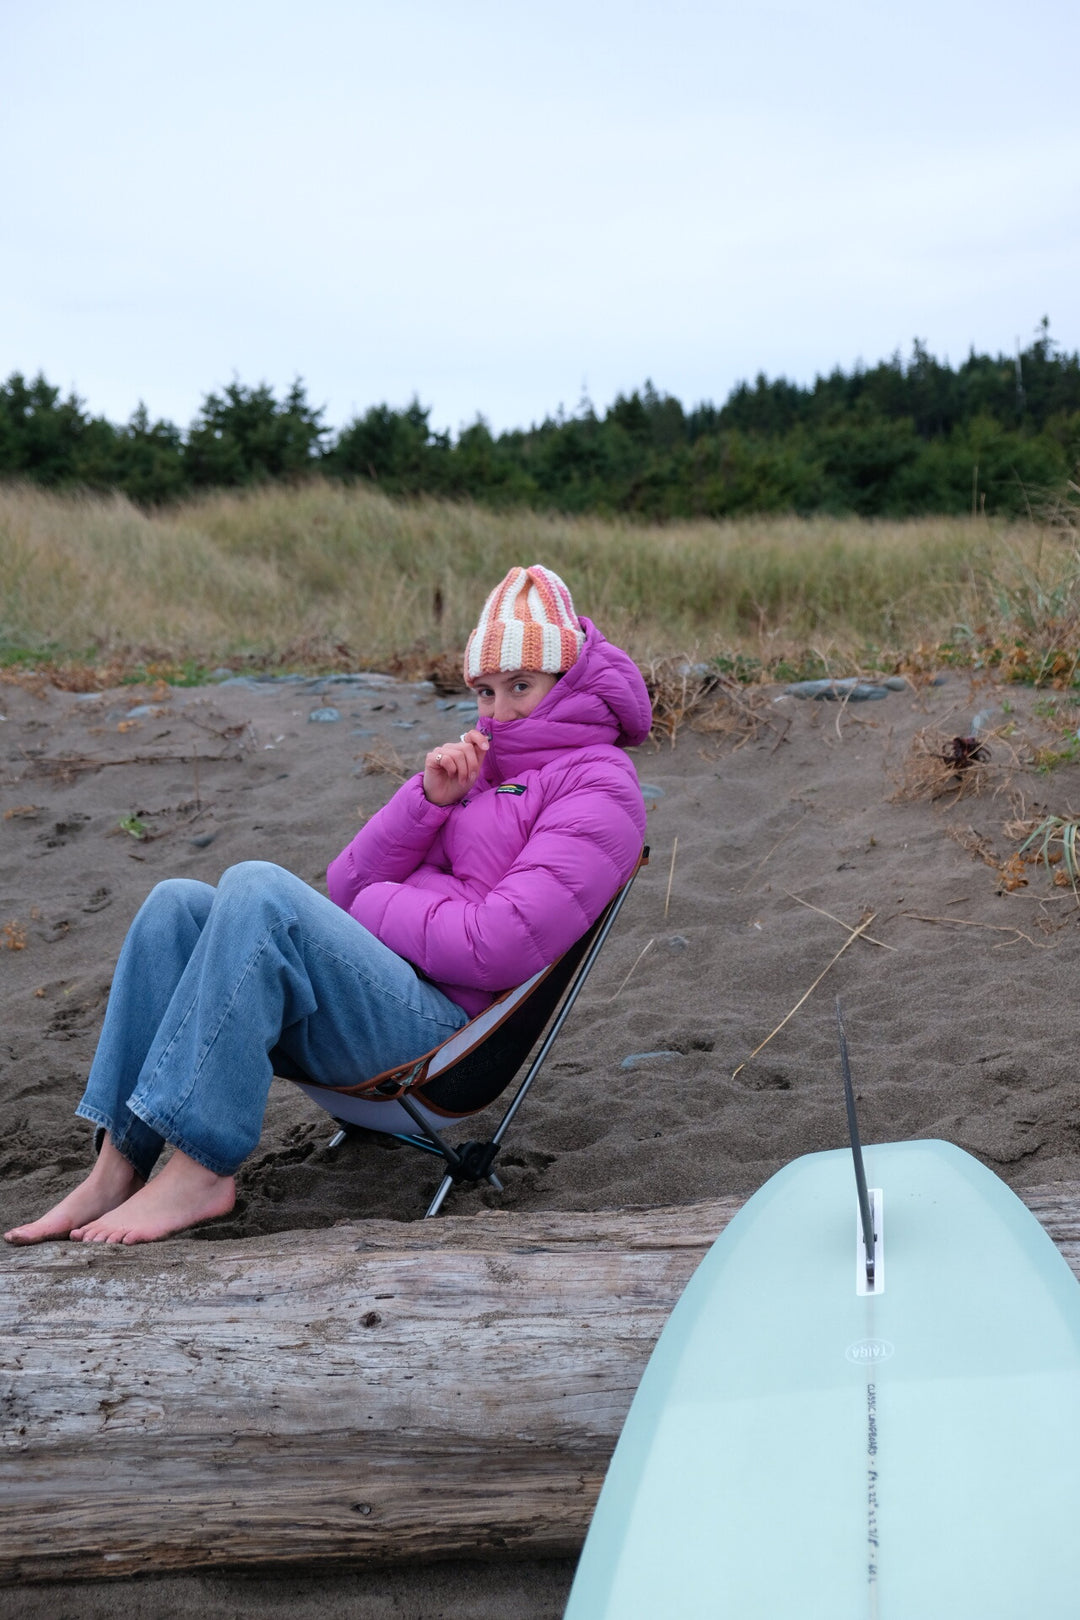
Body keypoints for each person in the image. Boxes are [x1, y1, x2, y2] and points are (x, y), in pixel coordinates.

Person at [4, 564, 651, 1247]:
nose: (499, 710)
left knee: (259, 890)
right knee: (176, 907)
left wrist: (377, 906)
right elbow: (344, 883)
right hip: (379, 997)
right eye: (486, 690)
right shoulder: (477, 768)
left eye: (521, 685)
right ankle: (117, 1166)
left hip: (445, 1045)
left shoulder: (600, 787)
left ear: (568, 675)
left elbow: (497, 945)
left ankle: (201, 1169)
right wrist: (428, 802)